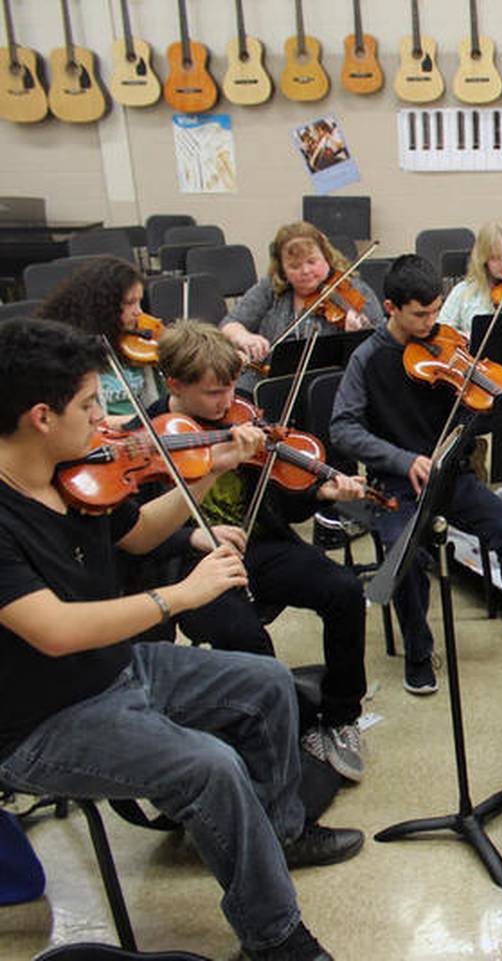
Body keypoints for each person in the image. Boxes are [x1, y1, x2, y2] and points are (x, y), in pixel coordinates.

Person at [0, 318, 363, 961]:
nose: (104, 418)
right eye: (88, 405)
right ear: (41, 417)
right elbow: (52, 632)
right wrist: (181, 596)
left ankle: (281, 836)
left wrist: (207, 470)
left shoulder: (70, 472)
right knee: (211, 768)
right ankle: (275, 937)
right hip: (39, 718)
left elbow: (137, 534)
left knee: (268, 684)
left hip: (114, 666)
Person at [330, 254, 502, 695]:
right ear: (391, 308)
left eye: (436, 310)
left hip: (450, 475)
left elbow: (485, 396)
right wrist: (402, 460)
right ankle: (419, 651)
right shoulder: (367, 358)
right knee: (408, 561)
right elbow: (342, 427)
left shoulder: (449, 343)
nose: (431, 321)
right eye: (420, 314)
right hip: (397, 484)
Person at [153, 321, 372, 782]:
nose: (229, 402)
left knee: (344, 590)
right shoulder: (147, 437)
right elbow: (130, 530)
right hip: (191, 566)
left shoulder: (243, 422)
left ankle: (340, 715)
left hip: (259, 544)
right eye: (214, 393)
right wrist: (194, 535)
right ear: (175, 385)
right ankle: (287, 731)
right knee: (247, 638)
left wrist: (322, 493)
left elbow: (285, 507)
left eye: (233, 387)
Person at [221, 221, 384, 395]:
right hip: (268, 381)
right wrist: (245, 337)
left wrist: (355, 337)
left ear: (327, 257)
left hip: (330, 386)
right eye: (294, 266)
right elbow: (229, 325)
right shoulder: (271, 289)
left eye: (312, 261)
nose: (305, 271)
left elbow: (379, 344)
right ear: (282, 270)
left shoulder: (355, 292)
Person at [37, 255, 161, 423]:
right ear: (104, 307)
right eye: (130, 303)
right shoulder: (66, 354)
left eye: (139, 302)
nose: (138, 312)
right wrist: (137, 422)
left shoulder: (141, 346)